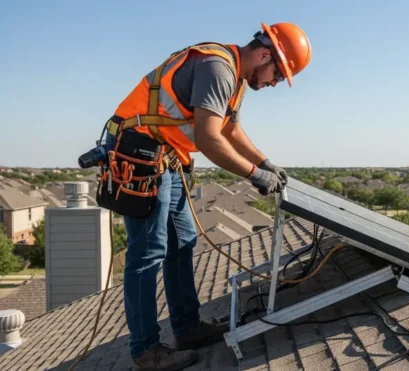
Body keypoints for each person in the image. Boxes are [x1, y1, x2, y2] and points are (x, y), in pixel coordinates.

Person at [100, 22, 312, 370]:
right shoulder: (218, 68)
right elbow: (208, 139)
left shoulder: (235, 77)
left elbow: (230, 128)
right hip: (138, 149)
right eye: (277, 75)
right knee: (148, 253)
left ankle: (186, 328)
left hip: (164, 155)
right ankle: (145, 349)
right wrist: (254, 174)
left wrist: (265, 162)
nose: (273, 83)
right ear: (263, 55)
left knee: (183, 240)